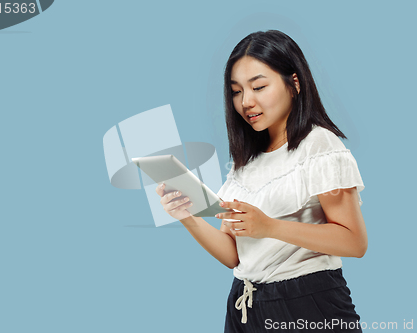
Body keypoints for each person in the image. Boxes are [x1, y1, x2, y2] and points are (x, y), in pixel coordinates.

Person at [156, 30, 367, 333]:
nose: (246, 102)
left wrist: (271, 227)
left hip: (306, 303)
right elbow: (234, 255)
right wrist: (186, 216)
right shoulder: (247, 160)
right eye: (236, 91)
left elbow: (355, 242)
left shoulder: (319, 146)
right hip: (245, 304)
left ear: (294, 84)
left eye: (259, 86)